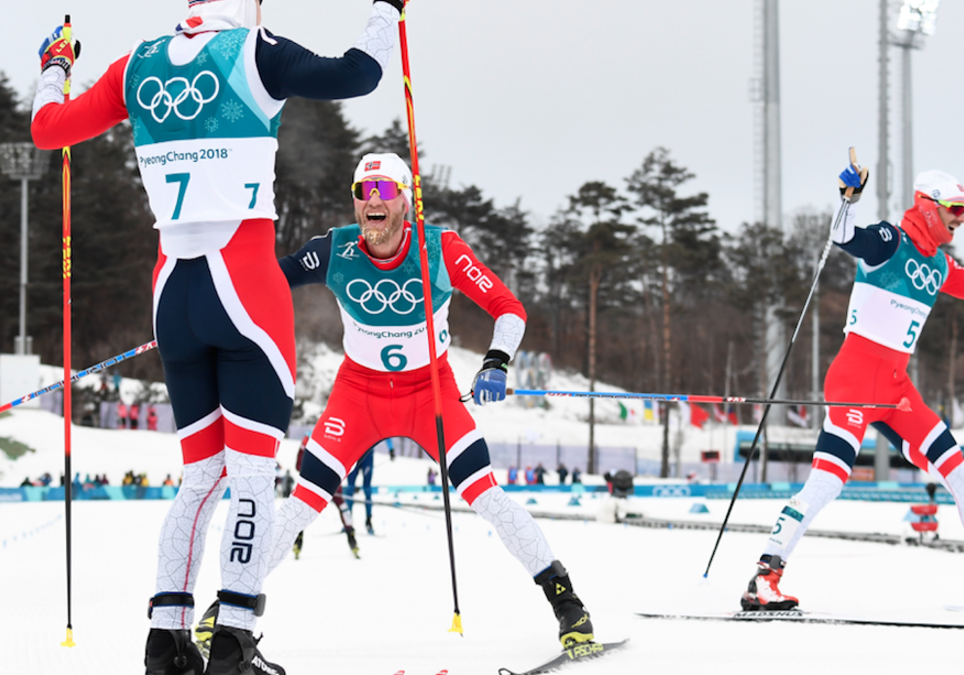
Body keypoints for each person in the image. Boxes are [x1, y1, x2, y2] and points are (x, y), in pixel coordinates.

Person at [29, 2, 402, 673]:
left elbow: (48, 130)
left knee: (201, 476)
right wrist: (385, 10)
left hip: (173, 291)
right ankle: (232, 637)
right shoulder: (253, 49)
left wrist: (55, 65)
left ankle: (166, 637)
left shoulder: (137, 64)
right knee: (254, 473)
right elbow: (361, 75)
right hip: (247, 287)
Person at [206, 152, 596, 652]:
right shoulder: (336, 250)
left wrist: (496, 362)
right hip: (357, 395)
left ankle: (568, 604)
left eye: (385, 192)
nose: (373, 201)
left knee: (488, 498)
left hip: (429, 394)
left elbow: (508, 308)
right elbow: (268, 283)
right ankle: (232, 605)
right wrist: (214, 309)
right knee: (303, 502)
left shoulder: (441, 249)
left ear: (405, 202)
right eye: (363, 193)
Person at [741, 162, 964, 612]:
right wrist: (848, 199)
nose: (961, 218)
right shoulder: (890, 242)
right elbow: (843, 236)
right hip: (854, 382)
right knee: (829, 482)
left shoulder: (938, 263)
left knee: (961, 476)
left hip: (896, 390)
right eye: (955, 208)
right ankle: (765, 577)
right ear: (929, 206)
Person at [344, 447, 376, 534]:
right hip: (354, 455)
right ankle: (348, 522)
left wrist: (391, 449)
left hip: (367, 456)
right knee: (350, 489)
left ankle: (369, 521)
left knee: (367, 489)